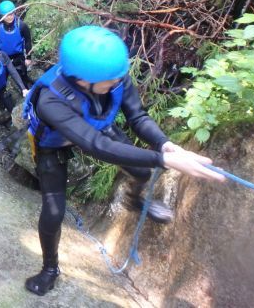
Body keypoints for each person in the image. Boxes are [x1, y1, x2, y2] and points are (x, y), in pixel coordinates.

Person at [22, 25, 225, 296]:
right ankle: (49, 269)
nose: (120, 82)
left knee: (142, 171)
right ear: (82, 79)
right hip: (53, 144)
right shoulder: (52, 100)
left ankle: (135, 199)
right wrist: (163, 160)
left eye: (120, 77)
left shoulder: (112, 76)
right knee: (54, 210)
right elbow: (96, 146)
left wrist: (165, 144)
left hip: (96, 127)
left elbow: (137, 116)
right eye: (113, 81)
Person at [0, 0, 33, 86]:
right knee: (3, 76)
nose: (10, 17)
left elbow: (28, 41)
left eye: (12, 13)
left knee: (22, 73)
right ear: (1, 15)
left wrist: (28, 57)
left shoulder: (22, 25)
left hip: (18, 56)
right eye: (7, 15)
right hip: (2, 57)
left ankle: (25, 82)